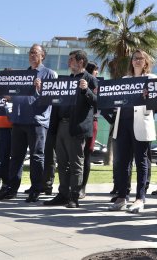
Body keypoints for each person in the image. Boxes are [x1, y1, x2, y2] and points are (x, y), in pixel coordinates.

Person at [0, 44, 57, 202]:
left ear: (42, 55)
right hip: (19, 120)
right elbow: (14, 96)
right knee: (16, 157)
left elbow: (54, 97)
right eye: (30, 52)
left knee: (36, 157)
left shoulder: (49, 74)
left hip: (37, 121)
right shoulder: (23, 75)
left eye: (35, 52)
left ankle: (36, 189)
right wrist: (3, 91)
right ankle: (11, 189)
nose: (32, 55)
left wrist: (42, 89)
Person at [44, 50, 97, 208]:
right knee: (62, 163)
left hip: (76, 127)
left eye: (71, 59)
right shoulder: (66, 80)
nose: (69, 63)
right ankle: (63, 194)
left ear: (81, 62)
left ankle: (74, 196)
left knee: (76, 163)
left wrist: (86, 90)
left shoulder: (91, 79)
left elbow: (98, 102)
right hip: (61, 125)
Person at [105, 50, 156, 213]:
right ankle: (121, 197)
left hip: (141, 123)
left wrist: (149, 96)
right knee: (122, 162)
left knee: (141, 161)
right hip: (123, 123)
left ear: (146, 62)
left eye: (141, 58)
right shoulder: (125, 80)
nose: (137, 61)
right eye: (135, 58)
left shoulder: (151, 79)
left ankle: (140, 198)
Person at [80, 61, 100, 199]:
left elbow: (98, 103)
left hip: (91, 121)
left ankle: (82, 187)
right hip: (79, 121)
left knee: (86, 155)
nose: (97, 73)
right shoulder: (82, 81)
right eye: (96, 70)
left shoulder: (95, 84)